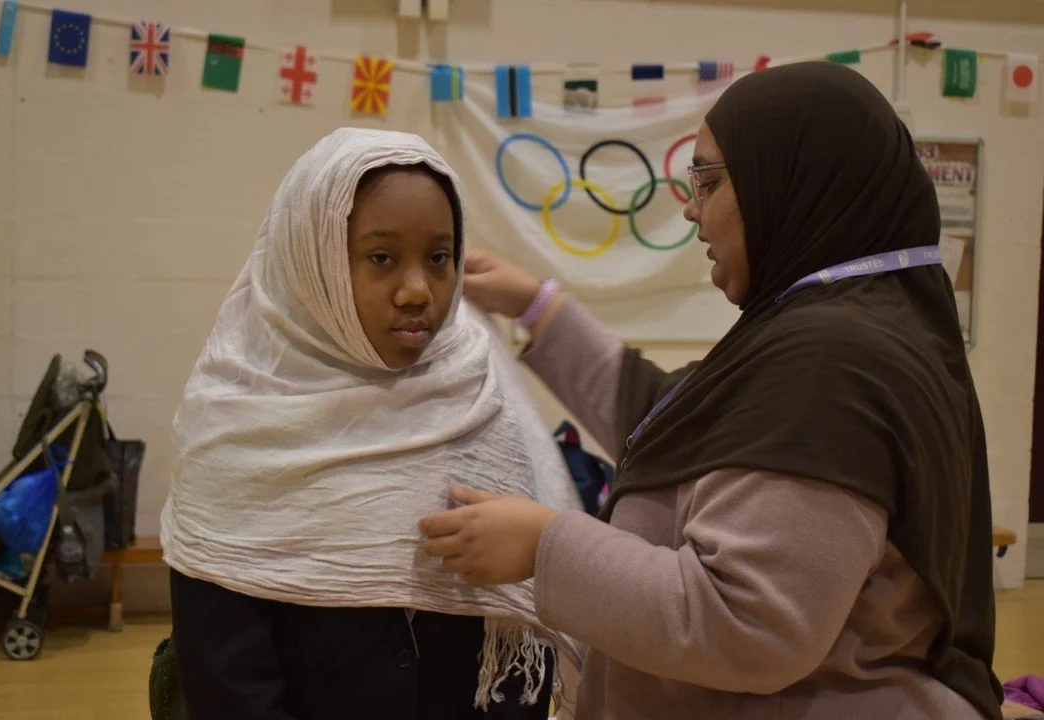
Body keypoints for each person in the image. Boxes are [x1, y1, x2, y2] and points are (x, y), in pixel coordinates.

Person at [419, 61, 1004, 720]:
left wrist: (544, 545)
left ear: (793, 183)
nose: (691, 207)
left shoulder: (832, 360)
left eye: (711, 180)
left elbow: (747, 623)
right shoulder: (846, 329)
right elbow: (683, 430)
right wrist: (537, 309)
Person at [160, 127, 583, 720]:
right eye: (381, 258)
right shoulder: (233, 425)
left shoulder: (482, 398)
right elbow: (227, 676)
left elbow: (514, 646)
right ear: (313, 260)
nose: (417, 291)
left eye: (439, 258)